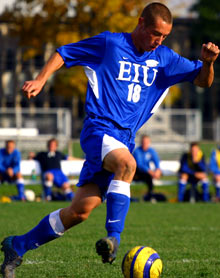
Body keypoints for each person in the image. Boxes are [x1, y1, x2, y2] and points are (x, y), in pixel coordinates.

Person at [1, 2, 219, 277]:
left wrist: (209, 62)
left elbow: (203, 81)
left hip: (123, 139)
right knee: (127, 165)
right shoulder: (110, 44)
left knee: (79, 212)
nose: (159, 40)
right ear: (140, 22)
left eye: (164, 36)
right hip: (98, 130)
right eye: (155, 33)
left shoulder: (165, 58)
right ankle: (113, 237)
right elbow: (64, 53)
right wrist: (41, 80)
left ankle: (16, 246)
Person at [133, 135, 161, 200]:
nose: (145, 144)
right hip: (137, 173)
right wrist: (151, 172)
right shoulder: (137, 151)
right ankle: (149, 195)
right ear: (141, 142)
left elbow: (156, 161)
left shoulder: (151, 151)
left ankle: (150, 195)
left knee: (149, 176)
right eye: (143, 142)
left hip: (147, 173)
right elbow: (140, 165)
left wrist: (158, 170)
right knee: (148, 176)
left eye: (146, 142)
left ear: (149, 142)